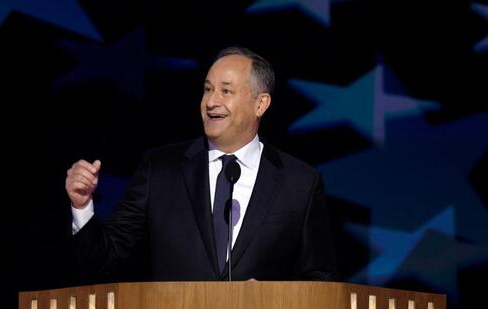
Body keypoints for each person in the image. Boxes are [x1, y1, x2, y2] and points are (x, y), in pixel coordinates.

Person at [66, 46, 338, 281]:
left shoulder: (299, 182)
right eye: (208, 89)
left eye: (226, 91)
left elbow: (320, 277)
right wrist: (82, 206)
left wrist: (272, 296)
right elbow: (103, 258)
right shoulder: (161, 169)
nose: (211, 102)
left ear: (260, 104)